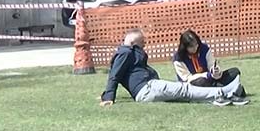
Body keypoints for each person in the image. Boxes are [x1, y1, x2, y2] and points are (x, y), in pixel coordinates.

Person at [99, 28, 248, 107]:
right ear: (134, 43)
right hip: (147, 88)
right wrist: (108, 97)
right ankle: (225, 91)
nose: (145, 44)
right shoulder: (125, 53)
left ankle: (222, 96)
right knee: (185, 90)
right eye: (142, 42)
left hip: (150, 88)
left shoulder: (128, 54)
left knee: (185, 94)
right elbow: (114, 75)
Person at [173, 30, 246, 98]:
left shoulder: (204, 49)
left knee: (235, 72)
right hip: (193, 85)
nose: (195, 48)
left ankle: (224, 89)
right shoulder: (178, 58)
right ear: (185, 47)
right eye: (192, 46)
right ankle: (228, 90)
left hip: (211, 79)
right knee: (201, 82)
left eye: (196, 45)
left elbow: (211, 64)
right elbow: (187, 78)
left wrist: (215, 71)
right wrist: (206, 75)